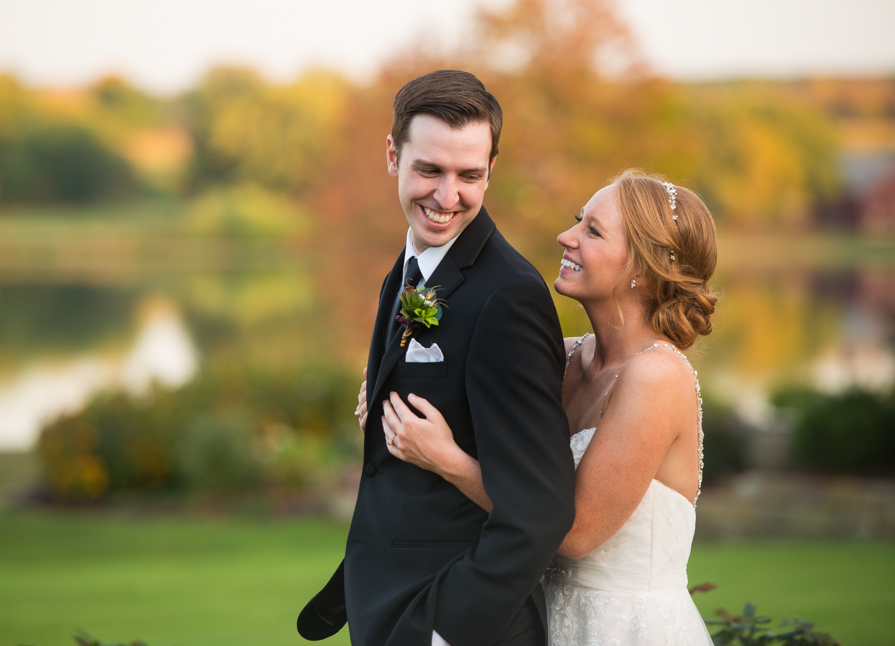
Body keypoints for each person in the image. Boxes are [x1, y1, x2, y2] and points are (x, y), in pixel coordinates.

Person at [375, 170, 719, 645]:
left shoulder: (657, 376)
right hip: (537, 620)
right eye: (579, 220)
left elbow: (575, 531)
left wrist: (447, 461)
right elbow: (465, 421)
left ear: (643, 266)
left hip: (625, 628)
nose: (566, 236)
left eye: (592, 231)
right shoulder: (562, 358)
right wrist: (387, 400)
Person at [297, 70, 576, 646]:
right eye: (430, 170)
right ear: (393, 156)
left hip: (457, 622)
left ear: (491, 171)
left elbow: (539, 510)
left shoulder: (509, 295)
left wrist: (443, 631)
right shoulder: (405, 274)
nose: (447, 197)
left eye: (469, 175)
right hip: (389, 602)